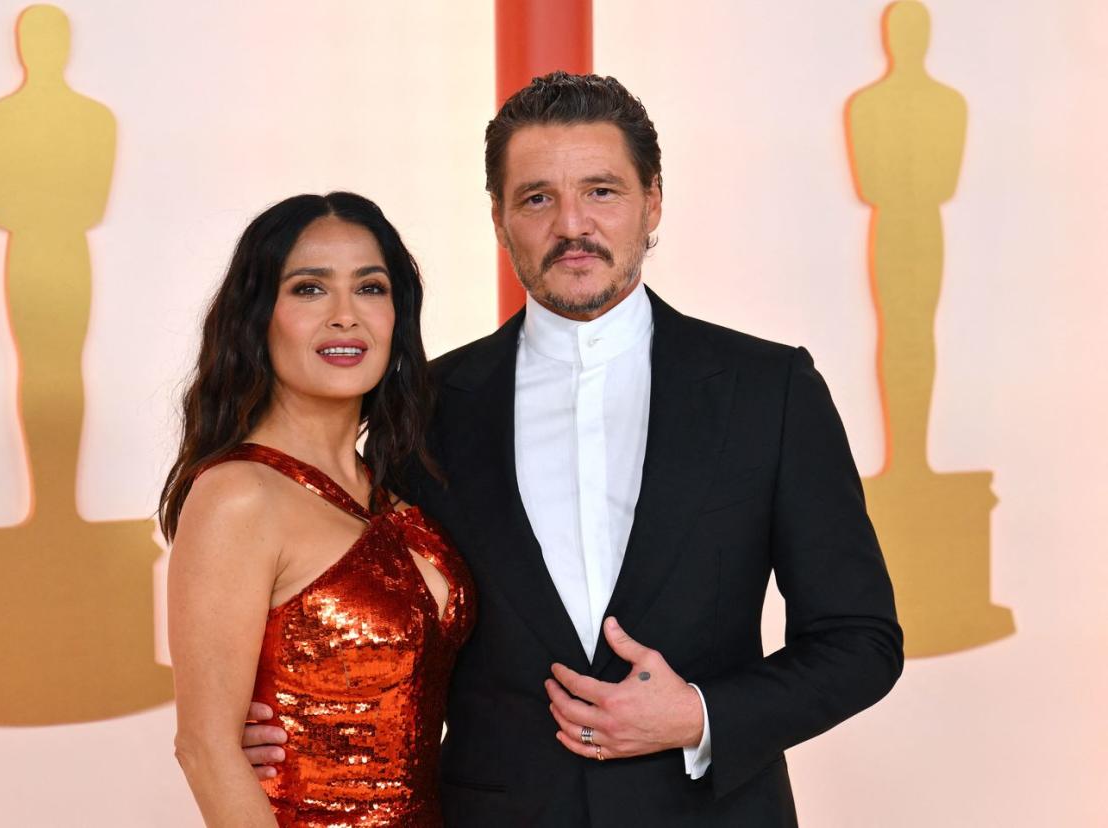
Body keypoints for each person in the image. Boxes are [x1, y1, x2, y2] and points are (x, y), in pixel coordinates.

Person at [241, 73, 903, 826]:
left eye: (602, 191)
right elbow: (380, 615)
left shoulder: (769, 389)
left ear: (653, 202)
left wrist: (699, 716)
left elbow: (860, 641)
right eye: (536, 198)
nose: (572, 225)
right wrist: (303, 720)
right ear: (498, 219)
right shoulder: (418, 406)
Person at [161, 192, 475, 827]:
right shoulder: (239, 495)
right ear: (259, 317)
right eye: (309, 289)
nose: (344, 316)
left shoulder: (400, 489)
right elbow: (206, 749)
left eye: (370, 287)